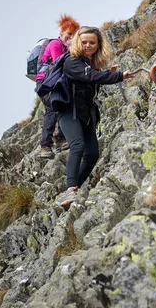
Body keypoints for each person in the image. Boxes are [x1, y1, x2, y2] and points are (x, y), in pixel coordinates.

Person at [57, 26, 134, 208]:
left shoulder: (89, 63)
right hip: (69, 113)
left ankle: (74, 188)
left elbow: (92, 77)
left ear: (99, 44)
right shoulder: (72, 61)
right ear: (77, 42)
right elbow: (90, 77)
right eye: (84, 42)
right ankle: (70, 190)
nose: (88, 45)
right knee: (78, 145)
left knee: (92, 154)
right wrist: (118, 76)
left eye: (92, 42)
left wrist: (106, 73)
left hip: (86, 116)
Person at [37, 14, 80, 159]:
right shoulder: (55, 45)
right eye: (69, 34)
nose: (71, 37)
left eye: (74, 35)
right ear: (61, 33)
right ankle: (45, 146)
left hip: (57, 83)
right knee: (52, 109)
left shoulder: (68, 49)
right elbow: (58, 65)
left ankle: (60, 139)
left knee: (63, 106)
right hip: (46, 83)